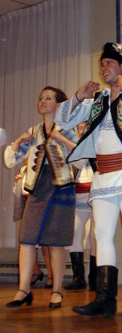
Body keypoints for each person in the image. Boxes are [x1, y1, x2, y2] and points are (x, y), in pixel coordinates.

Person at [55, 42, 122, 317]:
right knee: (100, 234)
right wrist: (79, 96)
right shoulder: (98, 101)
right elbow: (63, 119)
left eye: (110, 63)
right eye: (102, 64)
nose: (104, 68)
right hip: (103, 176)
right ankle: (105, 298)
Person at [4, 86, 78, 309]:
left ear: (59, 105)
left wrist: (60, 138)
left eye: (48, 98)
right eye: (41, 98)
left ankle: (56, 290)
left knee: (55, 241)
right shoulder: (34, 130)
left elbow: (82, 159)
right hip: (36, 187)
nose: (42, 101)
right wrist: (18, 142)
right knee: (27, 238)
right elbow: (10, 161)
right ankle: (23, 290)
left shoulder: (68, 129)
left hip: (61, 186)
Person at [64, 122, 96, 291]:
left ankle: (95, 277)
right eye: (80, 128)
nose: (82, 130)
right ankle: (79, 278)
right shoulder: (75, 145)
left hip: (97, 193)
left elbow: (81, 160)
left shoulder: (97, 142)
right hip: (79, 193)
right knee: (75, 233)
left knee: (95, 235)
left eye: (85, 127)